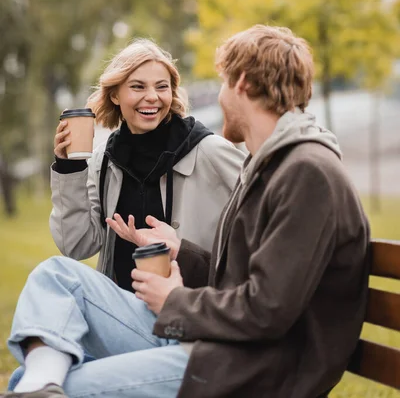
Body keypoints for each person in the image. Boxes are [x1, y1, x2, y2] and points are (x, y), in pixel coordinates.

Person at [2, 25, 370, 398]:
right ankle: (41, 382)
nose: (219, 97)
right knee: (56, 280)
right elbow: (249, 283)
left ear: (241, 84)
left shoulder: (306, 172)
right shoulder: (276, 165)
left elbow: (268, 310)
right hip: (214, 341)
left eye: (223, 83)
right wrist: (180, 250)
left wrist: (175, 300)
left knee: (71, 386)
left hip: (251, 366)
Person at [50, 38, 245, 289]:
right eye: (138, 87)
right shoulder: (104, 161)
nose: (152, 97)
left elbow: (263, 214)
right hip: (122, 309)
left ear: (172, 93)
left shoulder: (210, 151)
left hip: (189, 311)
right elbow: (77, 245)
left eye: (162, 87)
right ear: (115, 95)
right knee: (54, 274)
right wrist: (70, 168)